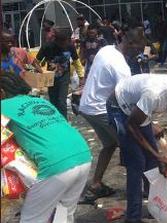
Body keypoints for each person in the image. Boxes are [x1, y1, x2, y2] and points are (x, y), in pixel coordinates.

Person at [106, 68, 167, 223]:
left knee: (153, 163)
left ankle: (155, 204)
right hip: (120, 106)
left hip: (139, 110)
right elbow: (131, 125)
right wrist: (156, 154)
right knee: (137, 162)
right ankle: (133, 217)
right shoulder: (154, 94)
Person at [0, 72, 92, 223]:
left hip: (55, 165)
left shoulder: (3, 106)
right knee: (64, 215)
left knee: (32, 219)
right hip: (83, 155)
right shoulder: (42, 102)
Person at [78, 26, 146, 203]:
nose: (139, 53)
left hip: (86, 106)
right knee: (135, 146)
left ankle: (96, 184)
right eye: (138, 49)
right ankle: (142, 189)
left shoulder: (106, 49)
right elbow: (125, 102)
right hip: (100, 109)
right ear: (130, 43)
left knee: (109, 144)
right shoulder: (121, 68)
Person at [36, 31, 84, 118]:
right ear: (55, 40)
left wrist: (81, 76)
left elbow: (76, 61)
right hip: (50, 78)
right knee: (53, 101)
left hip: (64, 76)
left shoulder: (70, 47)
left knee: (61, 101)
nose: (64, 45)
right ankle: (55, 120)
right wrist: (39, 72)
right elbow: (36, 61)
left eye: (65, 42)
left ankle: (64, 121)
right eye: (61, 43)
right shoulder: (47, 47)